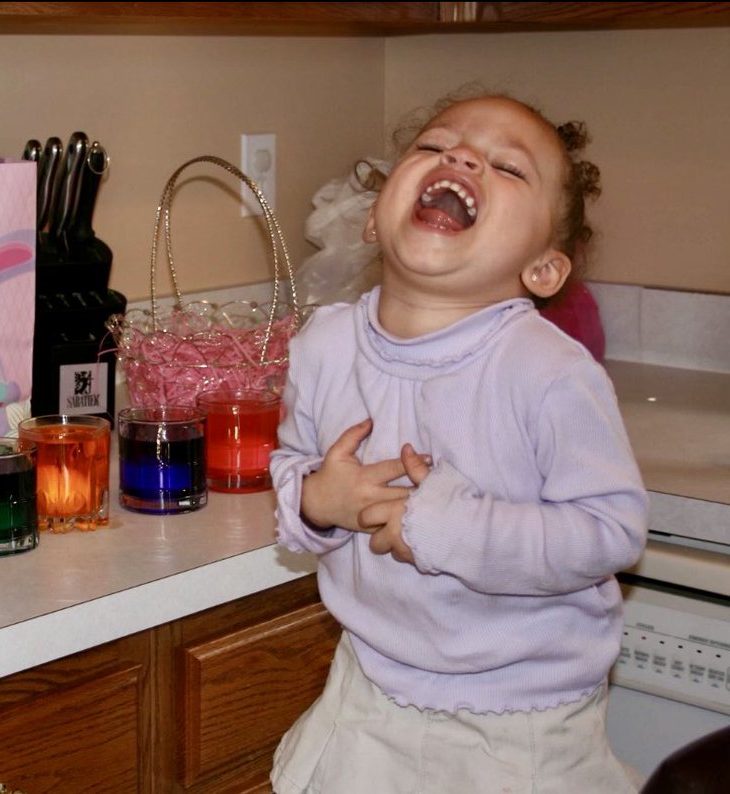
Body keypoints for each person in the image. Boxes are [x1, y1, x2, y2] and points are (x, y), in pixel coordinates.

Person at [269, 91, 650, 794]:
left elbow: (610, 531)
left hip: (518, 724)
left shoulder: (548, 371)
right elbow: (293, 461)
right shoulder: (323, 345)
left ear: (543, 269)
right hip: (367, 694)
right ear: (371, 223)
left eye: (507, 168)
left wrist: (457, 530)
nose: (463, 157)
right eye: (434, 147)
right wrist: (318, 500)